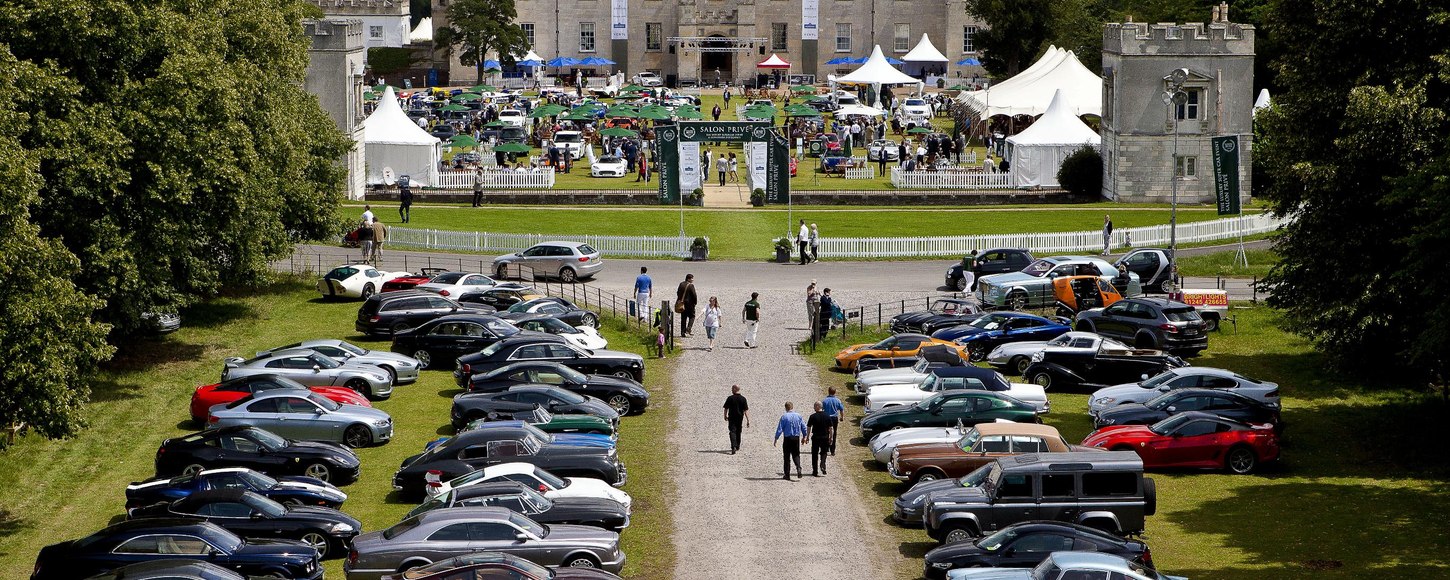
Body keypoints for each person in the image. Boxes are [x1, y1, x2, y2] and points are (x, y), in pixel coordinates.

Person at [773, 402, 806, 480]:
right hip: (796, 438)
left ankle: (787, 474)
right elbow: (803, 426)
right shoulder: (798, 416)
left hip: (787, 438)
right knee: (796, 454)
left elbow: (780, 428)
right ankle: (798, 467)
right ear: (792, 407)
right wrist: (804, 436)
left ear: (786, 408)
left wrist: (776, 438)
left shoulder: (784, 417)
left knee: (786, 456)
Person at [805, 401, 833, 476]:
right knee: (824, 452)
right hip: (825, 437)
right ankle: (823, 463)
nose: (814, 408)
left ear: (817, 406)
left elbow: (809, 427)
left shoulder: (812, 416)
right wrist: (831, 437)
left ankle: (815, 471)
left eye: (814, 406)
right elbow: (831, 428)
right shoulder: (827, 416)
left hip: (816, 437)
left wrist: (807, 437)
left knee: (814, 454)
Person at [723, 384, 749, 454]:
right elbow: (745, 410)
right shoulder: (743, 399)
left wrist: (725, 416)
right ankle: (737, 445)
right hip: (740, 418)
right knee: (738, 431)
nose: (731, 390)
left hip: (732, 418)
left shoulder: (730, 398)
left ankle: (733, 446)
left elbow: (726, 408)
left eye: (732, 388)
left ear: (735, 389)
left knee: (732, 431)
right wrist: (748, 420)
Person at [822, 387, 845, 455]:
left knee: (826, 433)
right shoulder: (837, 400)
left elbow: (821, 409)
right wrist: (842, 417)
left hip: (826, 418)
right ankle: (832, 450)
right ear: (835, 392)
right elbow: (841, 409)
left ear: (828, 391)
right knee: (834, 433)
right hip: (834, 418)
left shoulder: (825, 400)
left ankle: (826, 448)